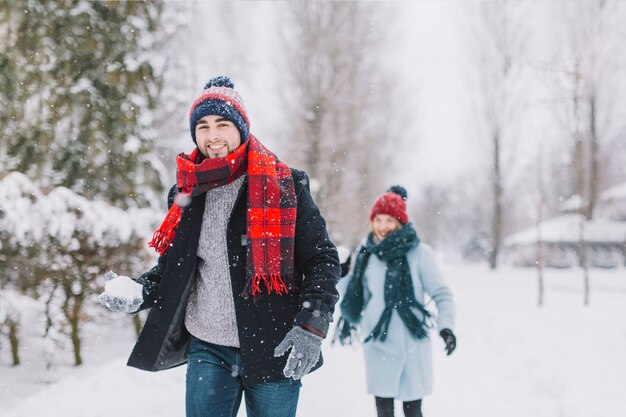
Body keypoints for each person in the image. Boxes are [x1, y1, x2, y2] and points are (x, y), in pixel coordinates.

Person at [98, 76, 340, 417]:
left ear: (241, 128)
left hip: (274, 344)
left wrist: (311, 325)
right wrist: (139, 292)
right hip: (208, 347)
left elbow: (322, 259)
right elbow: (174, 269)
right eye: (203, 126)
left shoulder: (285, 184)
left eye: (222, 124)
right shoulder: (186, 191)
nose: (212, 136)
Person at [335, 185, 456, 417]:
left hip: (412, 345)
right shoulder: (365, 253)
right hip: (378, 343)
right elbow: (352, 294)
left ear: (400, 222)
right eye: (378, 220)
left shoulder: (420, 253)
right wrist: (341, 273)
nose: (383, 227)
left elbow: (442, 294)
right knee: (383, 410)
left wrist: (446, 328)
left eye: (390, 220)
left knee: (413, 410)